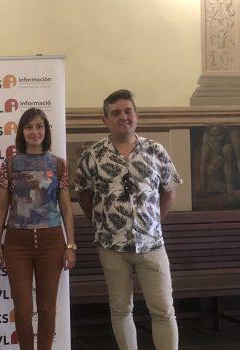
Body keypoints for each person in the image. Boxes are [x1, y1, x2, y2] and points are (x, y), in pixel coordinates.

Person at [75, 89, 182, 350]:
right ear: (105, 120)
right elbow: (84, 196)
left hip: (152, 246)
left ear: (136, 115)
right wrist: (105, 224)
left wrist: (151, 221)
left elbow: (169, 193)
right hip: (111, 247)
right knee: (121, 310)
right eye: (116, 113)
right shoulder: (93, 155)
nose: (123, 117)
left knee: (164, 311)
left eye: (128, 111)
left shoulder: (156, 151)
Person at [0, 107, 76, 350]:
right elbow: (2, 207)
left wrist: (70, 245)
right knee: (23, 308)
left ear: (46, 130)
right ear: (21, 131)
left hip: (51, 240)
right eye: (29, 126)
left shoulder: (58, 165)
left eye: (39, 126)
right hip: (17, 242)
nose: (34, 131)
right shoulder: (9, 164)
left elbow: (66, 208)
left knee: (48, 308)